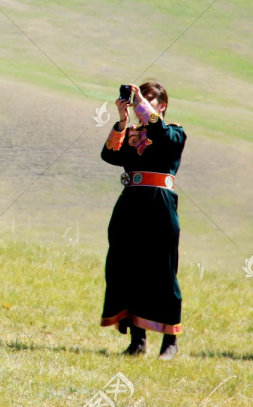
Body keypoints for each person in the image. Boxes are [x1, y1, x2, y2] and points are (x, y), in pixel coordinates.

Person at [99, 80, 186, 359]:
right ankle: (138, 340)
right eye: (139, 99)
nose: (140, 105)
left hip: (159, 206)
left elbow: (160, 132)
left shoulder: (174, 133)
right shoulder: (133, 133)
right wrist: (123, 121)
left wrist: (140, 105)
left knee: (162, 270)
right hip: (130, 203)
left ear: (162, 106)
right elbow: (110, 156)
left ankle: (170, 340)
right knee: (125, 267)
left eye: (147, 100)